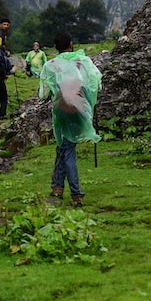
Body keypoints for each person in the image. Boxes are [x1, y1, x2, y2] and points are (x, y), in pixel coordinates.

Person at [38, 31, 102, 207]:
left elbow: (43, 94)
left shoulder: (50, 65)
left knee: (65, 147)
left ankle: (66, 189)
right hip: (79, 108)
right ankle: (70, 191)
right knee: (66, 147)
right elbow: (96, 82)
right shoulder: (83, 61)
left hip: (61, 109)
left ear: (56, 47)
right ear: (71, 44)